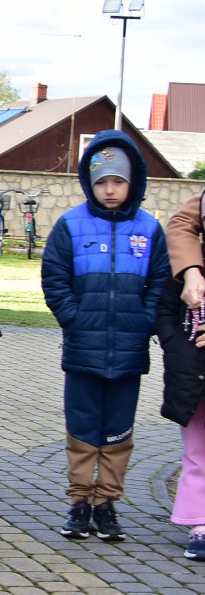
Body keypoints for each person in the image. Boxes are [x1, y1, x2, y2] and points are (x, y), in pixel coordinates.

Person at [42, 131, 168, 542]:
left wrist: (144, 321)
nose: (110, 189)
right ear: (88, 183)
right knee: (82, 429)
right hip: (83, 350)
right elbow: (55, 279)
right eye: (101, 181)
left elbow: (161, 282)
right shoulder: (70, 224)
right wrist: (73, 319)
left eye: (118, 181)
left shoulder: (149, 229)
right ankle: (80, 503)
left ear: (134, 182)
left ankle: (106, 504)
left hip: (129, 353)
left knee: (118, 432)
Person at [157, 210, 205, 560]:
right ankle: (198, 523)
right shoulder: (189, 264)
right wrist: (178, 346)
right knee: (197, 452)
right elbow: (164, 310)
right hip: (195, 377)